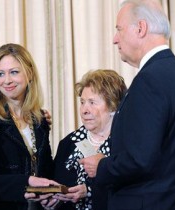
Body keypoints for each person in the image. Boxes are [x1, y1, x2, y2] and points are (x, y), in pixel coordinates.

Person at [79, 1, 175, 210]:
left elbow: (140, 159)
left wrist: (102, 166)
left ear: (141, 28)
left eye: (119, 29)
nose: (114, 39)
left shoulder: (150, 80)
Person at [0, 43, 57, 210]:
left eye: (14, 72)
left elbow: (46, 168)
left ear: (29, 73)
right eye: (0, 74)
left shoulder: (40, 119)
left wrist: (51, 194)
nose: (7, 80)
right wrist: (25, 183)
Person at [44, 70, 126, 210]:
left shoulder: (126, 144)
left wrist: (89, 191)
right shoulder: (68, 143)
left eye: (92, 102)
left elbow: (130, 190)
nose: (84, 110)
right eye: (82, 102)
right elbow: (55, 185)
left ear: (113, 106)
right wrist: (53, 199)